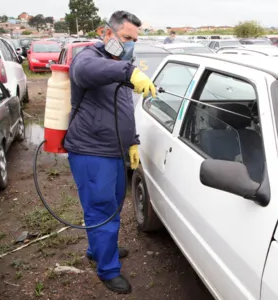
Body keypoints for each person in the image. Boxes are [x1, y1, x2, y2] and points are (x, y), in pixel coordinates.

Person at [63, 10, 156, 294]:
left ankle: (99, 249)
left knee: (112, 204)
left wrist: (132, 142)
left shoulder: (118, 62)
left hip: (114, 151)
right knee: (101, 210)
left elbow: (123, 110)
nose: (130, 44)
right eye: (126, 37)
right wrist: (129, 71)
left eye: (134, 40)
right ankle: (108, 269)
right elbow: (86, 72)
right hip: (91, 151)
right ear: (107, 34)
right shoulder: (89, 58)